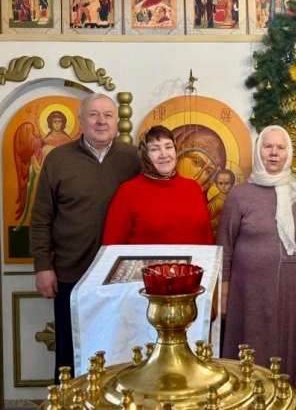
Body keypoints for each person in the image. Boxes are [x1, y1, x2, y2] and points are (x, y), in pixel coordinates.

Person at [30, 93, 140, 382]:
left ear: (116, 121)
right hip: (71, 274)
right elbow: (41, 218)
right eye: (93, 115)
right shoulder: (58, 159)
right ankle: (67, 401)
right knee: (71, 354)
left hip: (120, 278)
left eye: (107, 115)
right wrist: (43, 266)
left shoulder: (133, 159)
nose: (101, 121)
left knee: (119, 355)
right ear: (80, 121)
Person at [217, 126, 296, 407]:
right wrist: (223, 292)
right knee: (251, 351)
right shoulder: (239, 195)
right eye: (267, 147)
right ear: (258, 151)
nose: (274, 153)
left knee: (290, 351)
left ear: (289, 153)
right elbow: (224, 246)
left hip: (294, 293)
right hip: (249, 293)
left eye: (280, 148)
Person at [102, 125, 213, 246]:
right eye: (155, 149)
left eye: (168, 147)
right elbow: (111, 245)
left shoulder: (193, 188)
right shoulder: (128, 191)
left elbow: (207, 239)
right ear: (145, 154)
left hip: (194, 259)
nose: (164, 154)